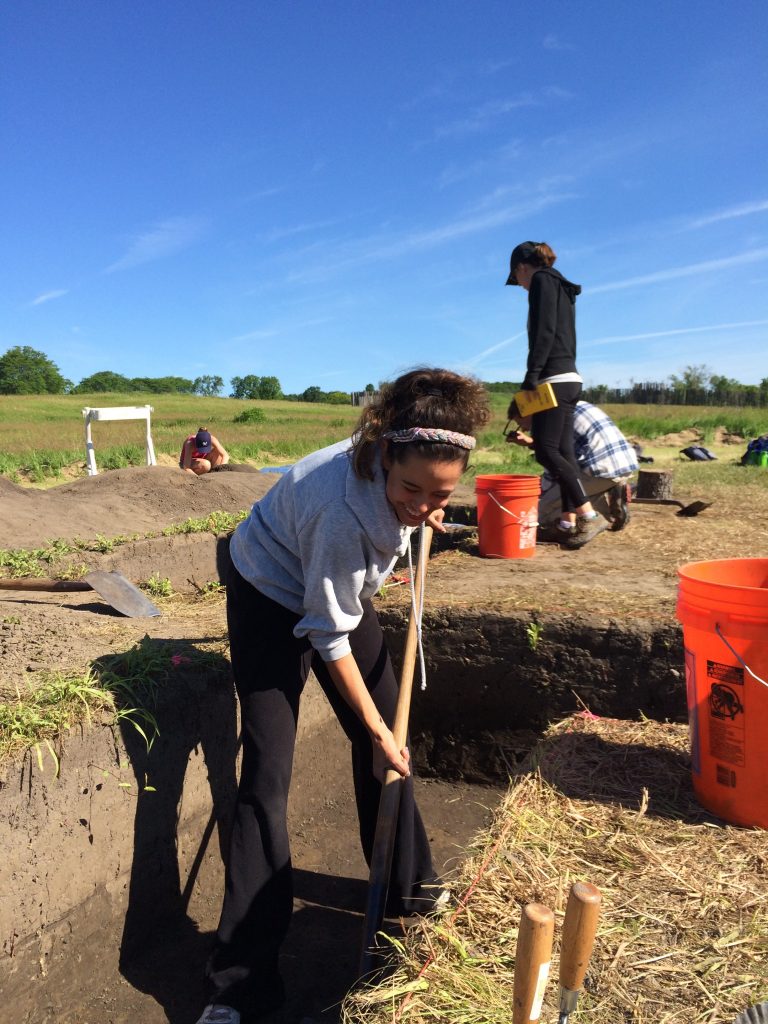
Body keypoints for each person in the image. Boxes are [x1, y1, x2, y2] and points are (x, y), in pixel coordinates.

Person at [195, 368, 490, 1024]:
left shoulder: (409, 473)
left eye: (440, 492)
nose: (422, 504)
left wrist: (425, 506)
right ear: (384, 454)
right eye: (411, 489)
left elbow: (404, 515)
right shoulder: (342, 511)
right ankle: (239, 984)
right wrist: (377, 730)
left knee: (390, 745)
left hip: (335, 592)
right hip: (270, 591)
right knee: (267, 776)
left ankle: (412, 893)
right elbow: (327, 634)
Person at [505, 240, 600, 542]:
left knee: (546, 451)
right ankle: (567, 523)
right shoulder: (561, 286)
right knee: (564, 452)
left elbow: (543, 333)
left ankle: (589, 515)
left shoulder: (542, 281)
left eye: (517, 278)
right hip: (570, 377)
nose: (520, 285)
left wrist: (531, 377)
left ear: (522, 267)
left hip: (553, 379)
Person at [506, 398, 638, 537]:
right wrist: (533, 443)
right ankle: (611, 490)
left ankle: (599, 515)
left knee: (538, 515)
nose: (523, 429)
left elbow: (558, 469)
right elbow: (568, 447)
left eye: (520, 423)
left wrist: (541, 495)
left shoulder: (546, 422)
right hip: (620, 464)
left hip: (597, 471)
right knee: (570, 494)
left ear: (528, 413)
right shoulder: (570, 405)